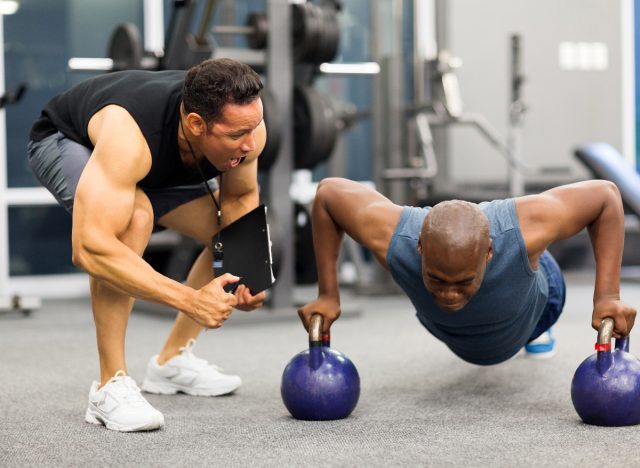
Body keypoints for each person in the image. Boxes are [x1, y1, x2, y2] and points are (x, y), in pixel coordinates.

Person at [27, 58, 268, 432]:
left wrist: (247, 270)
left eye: (254, 127)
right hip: (66, 141)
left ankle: (171, 362)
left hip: (154, 164)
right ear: (195, 125)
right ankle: (110, 385)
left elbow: (240, 200)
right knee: (132, 221)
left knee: (225, 234)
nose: (251, 144)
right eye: (238, 135)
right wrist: (190, 299)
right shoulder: (129, 133)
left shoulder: (246, 128)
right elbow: (91, 248)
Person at [298, 177, 637, 366]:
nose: (448, 294)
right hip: (452, 331)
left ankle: (536, 329)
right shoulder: (394, 238)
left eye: (462, 283)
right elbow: (327, 194)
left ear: (489, 252)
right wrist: (328, 294)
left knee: (534, 261)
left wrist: (607, 296)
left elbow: (605, 196)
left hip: (534, 308)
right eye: (437, 280)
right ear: (419, 248)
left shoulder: (521, 230)